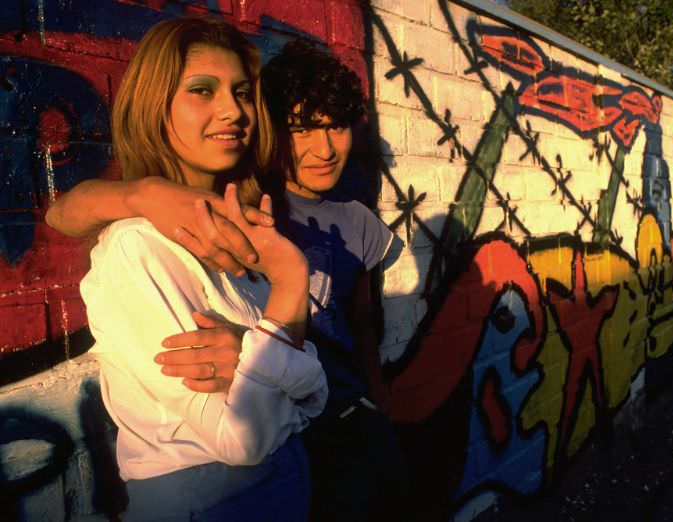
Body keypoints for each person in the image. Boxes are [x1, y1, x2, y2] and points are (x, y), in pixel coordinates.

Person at [47, 39, 406, 521]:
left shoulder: (246, 221)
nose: (232, 111)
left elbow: (321, 367)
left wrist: (256, 352)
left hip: (298, 459)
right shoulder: (143, 243)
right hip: (218, 490)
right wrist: (144, 194)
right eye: (202, 90)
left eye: (241, 94)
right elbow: (243, 433)